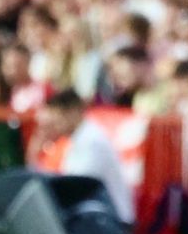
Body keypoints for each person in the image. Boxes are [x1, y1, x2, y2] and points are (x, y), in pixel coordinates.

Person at [31, 88, 136, 226]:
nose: (54, 126)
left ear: (73, 112)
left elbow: (76, 187)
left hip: (114, 223)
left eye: (57, 118)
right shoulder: (77, 140)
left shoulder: (91, 141)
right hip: (100, 220)